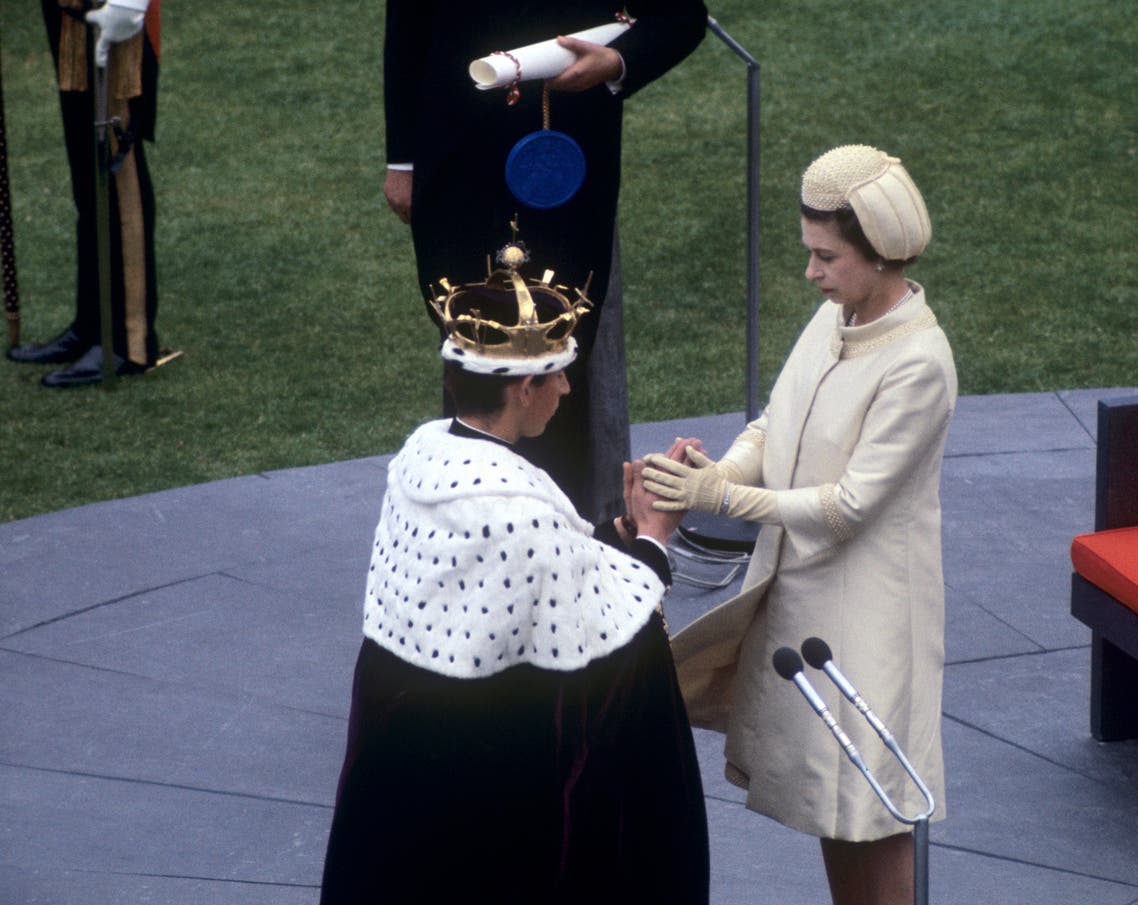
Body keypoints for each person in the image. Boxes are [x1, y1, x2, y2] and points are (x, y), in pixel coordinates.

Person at [319, 239, 709, 904]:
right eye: (557, 375)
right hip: (480, 789)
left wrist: (617, 532)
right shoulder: (516, 508)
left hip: (397, 775)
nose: (564, 386)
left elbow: (537, 572)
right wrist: (654, 539)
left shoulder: (419, 458)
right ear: (524, 388)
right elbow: (607, 640)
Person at [643, 144, 957, 905]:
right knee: (832, 808)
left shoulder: (920, 362)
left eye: (827, 256)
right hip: (805, 598)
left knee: (871, 813)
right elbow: (773, 422)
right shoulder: (831, 316)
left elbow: (848, 507)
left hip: (870, 618)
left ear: (879, 255)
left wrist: (719, 499)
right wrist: (720, 471)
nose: (812, 273)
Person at [382, 0, 706, 520]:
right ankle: (462, 526)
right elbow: (408, 20)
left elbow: (680, 16)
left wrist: (617, 62)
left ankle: (559, 546)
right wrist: (403, 159)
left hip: (565, 162)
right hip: (454, 160)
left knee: (557, 354)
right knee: (473, 354)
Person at [6, 0, 162, 388]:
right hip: (70, 12)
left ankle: (129, 339)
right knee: (86, 170)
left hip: (116, 9)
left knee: (115, 162)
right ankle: (92, 325)